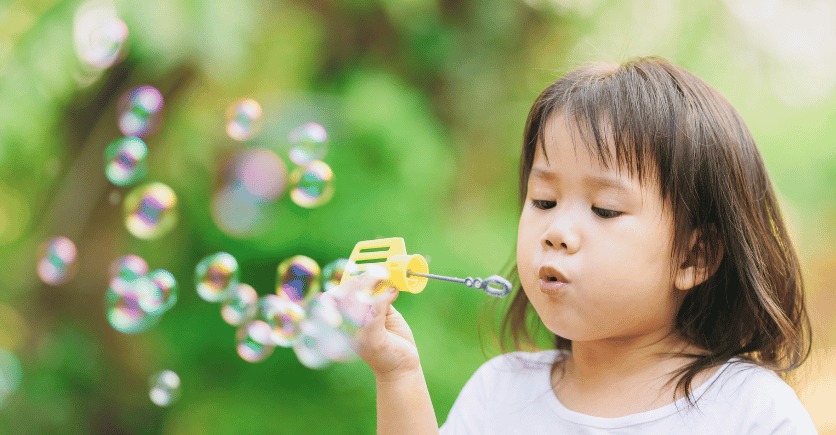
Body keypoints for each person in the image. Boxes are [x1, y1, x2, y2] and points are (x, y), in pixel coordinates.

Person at [335, 56, 818, 434]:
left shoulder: (750, 412)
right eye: (544, 200)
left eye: (605, 210)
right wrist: (396, 375)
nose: (556, 230)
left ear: (694, 256)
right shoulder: (501, 391)